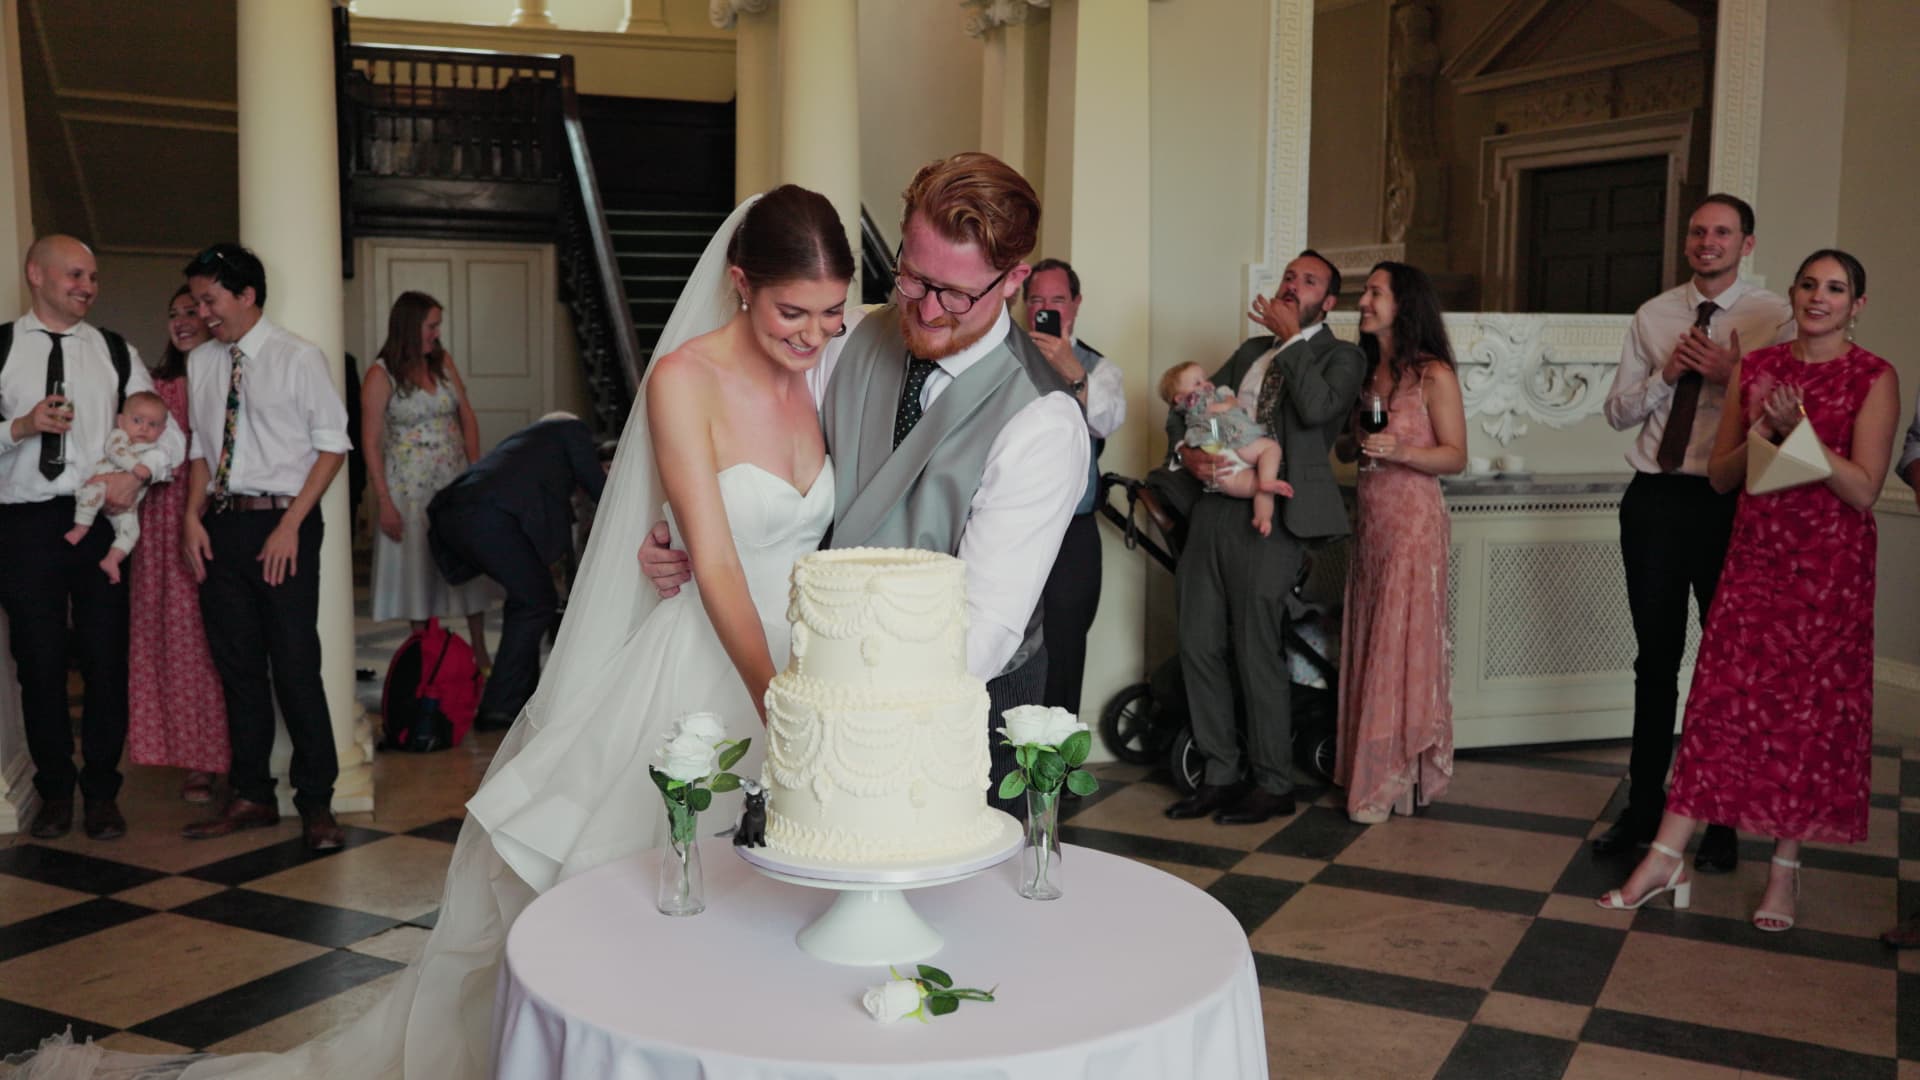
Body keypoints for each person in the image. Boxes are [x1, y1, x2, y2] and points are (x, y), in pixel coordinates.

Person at [0, 186, 865, 1080]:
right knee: (654, 916)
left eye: (832, 312)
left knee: (773, 928)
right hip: (710, 670)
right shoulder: (687, 377)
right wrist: (784, 708)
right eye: (791, 311)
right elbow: (717, 566)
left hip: (806, 657)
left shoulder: (828, 367)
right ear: (738, 284)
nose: (811, 334)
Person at [639, 152, 1089, 808]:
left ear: (1015, 279)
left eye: (957, 294)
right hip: (809, 679)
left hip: (947, 710)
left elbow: (983, 630)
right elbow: (768, 471)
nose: (929, 310)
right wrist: (676, 535)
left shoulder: (1043, 422)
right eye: (913, 277)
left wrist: (840, 714)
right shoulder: (846, 343)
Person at [1600, 250, 1899, 934]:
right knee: (1720, 705)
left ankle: (1783, 873)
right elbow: (1722, 478)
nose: (1818, 298)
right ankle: (1665, 857)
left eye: (1835, 289)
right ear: (1790, 292)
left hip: (1829, 570)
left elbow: (1862, 489)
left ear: (1857, 305)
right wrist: (1766, 426)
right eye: (1808, 284)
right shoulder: (1758, 369)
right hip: (1758, 560)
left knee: (1801, 716)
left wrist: (1802, 434)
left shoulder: (1874, 376)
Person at [1595, 194, 1795, 873]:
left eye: (1722, 233)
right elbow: (1618, 412)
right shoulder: (1654, 315)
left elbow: (1791, 413)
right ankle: (1645, 807)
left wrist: (1730, 376)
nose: (1708, 242)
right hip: (1653, 497)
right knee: (1655, 662)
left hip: (1729, 501)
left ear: (1747, 244)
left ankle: (1721, 816)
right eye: (1698, 232)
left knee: (1727, 667)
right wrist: (1668, 375)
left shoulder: (1775, 315)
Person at [1164, 251, 1364, 826]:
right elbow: (1188, 407)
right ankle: (1220, 775)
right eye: (1287, 277)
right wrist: (1189, 455)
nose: (1290, 286)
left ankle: (1273, 782)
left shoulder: (1340, 356)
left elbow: (1319, 409)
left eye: (1307, 282)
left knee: (1256, 646)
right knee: (1199, 640)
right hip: (1211, 506)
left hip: (1275, 510)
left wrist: (1294, 341)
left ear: (1327, 303)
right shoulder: (1249, 352)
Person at [0, 235, 184, 842]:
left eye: (93, 277)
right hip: (24, 524)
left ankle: (103, 791)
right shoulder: (1, 347)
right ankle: (54, 791)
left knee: (107, 658)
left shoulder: (114, 351)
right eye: (75, 274)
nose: (87, 286)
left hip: (99, 522)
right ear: (36, 274)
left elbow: (171, 439)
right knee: (39, 661)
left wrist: (135, 474)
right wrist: (21, 427)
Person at [178, 243, 352, 853]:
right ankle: (252, 794)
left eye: (210, 299)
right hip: (221, 526)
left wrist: (291, 527)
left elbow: (332, 447)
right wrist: (191, 519)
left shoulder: (298, 357)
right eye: (197, 301)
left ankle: (317, 802)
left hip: (285, 524)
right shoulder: (201, 362)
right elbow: (202, 449)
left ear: (247, 294)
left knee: (295, 665)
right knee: (238, 667)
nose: (202, 312)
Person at [1331, 261, 1465, 824]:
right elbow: (1347, 449)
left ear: (1404, 304)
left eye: (1375, 292)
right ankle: (1380, 769)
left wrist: (1400, 451)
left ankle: (1390, 778)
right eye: (1365, 292)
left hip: (1412, 523)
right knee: (1371, 638)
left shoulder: (1431, 373)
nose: (1364, 300)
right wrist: (1352, 440)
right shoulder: (1363, 373)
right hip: (1371, 523)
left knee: (1400, 641)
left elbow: (1456, 456)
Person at [427, 412, 607, 729]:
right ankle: (501, 705)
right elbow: (601, 489)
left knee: (530, 599)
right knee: (535, 601)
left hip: (456, 513)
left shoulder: (528, 443)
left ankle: (519, 696)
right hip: (486, 517)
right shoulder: (570, 428)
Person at [128, 285, 229, 804]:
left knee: (214, 645)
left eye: (192, 311)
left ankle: (225, 755)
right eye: (174, 314)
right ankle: (188, 756)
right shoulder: (154, 383)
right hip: (158, 525)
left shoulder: (226, 375)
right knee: (167, 641)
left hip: (210, 517)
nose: (183, 321)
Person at [363, 292, 494, 670]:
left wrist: (475, 471)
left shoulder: (442, 363)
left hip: (453, 482)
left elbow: (466, 415)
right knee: (418, 570)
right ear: (410, 326)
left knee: (466, 563)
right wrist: (383, 501)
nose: (437, 334)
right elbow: (370, 441)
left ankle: (480, 651)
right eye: (431, 326)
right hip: (409, 490)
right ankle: (424, 655)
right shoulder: (381, 374)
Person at [1024, 258, 1125, 715]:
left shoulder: (1098, 368)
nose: (1045, 308)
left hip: (1072, 529)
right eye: (1037, 300)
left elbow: (1106, 421)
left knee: (1064, 650)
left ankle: (1058, 775)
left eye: (1057, 300)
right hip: (1012, 526)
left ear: (1076, 305)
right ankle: (1003, 774)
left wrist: (1070, 370)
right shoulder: (1001, 358)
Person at [1160, 360, 1295, 532]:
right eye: (1197, 383)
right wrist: (1182, 450)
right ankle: (1264, 508)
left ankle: (1265, 501)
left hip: (1239, 438)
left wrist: (1223, 405)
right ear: (1179, 398)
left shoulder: (1219, 392)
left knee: (1271, 450)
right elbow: (1177, 417)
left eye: (1204, 379)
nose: (1205, 384)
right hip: (1217, 450)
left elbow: (1232, 401)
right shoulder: (1186, 408)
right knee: (1247, 485)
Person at [67, 391, 171, 583]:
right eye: (137, 420)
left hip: (126, 505)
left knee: (132, 531)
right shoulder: (119, 436)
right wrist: (135, 467)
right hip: (101, 483)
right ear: (121, 421)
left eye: (152, 424)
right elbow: (116, 452)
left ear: (162, 430)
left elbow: (164, 465)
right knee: (92, 493)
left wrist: (149, 468)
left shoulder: (154, 450)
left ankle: (112, 559)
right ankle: (81, 526)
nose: (144, 428)